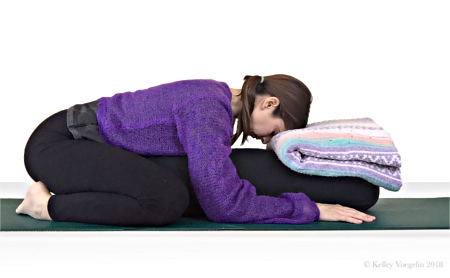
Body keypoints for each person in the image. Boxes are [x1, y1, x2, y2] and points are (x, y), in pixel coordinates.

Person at [16, 74, 378, 227]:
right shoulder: (209, 107)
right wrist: (307, 208)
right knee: (165, 200)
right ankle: (44, 205)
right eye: (276, 132)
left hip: (97, 147)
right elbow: (224, 204)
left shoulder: (218, 101)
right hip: (62, 143)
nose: (268, 141)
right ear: (269, 104)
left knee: (167, 189)